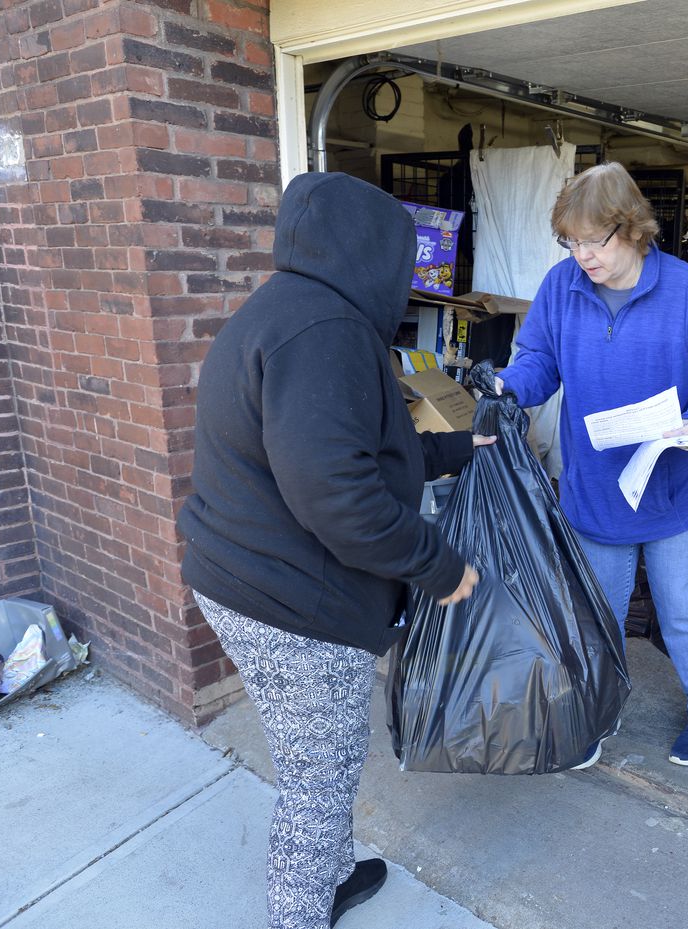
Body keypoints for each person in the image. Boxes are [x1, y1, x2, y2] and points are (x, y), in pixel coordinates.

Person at [178, 172, 492, 929]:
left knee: (311, 755)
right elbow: (340, 495)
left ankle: (336, 872)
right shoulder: (328, 332)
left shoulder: (284, 312)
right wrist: (440, 566)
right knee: (318, 778)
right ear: (373, 253)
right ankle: (299, 912)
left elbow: (352, 447)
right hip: (291, 605)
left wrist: (457, 446)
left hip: (241, 578)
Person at [494, 161, 688, 767]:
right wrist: (508, 386)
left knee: (681, 609)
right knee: (600, 613)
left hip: (681, 488)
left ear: (633, 229)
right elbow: (538, 360)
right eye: (571, 241)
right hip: (598, 489)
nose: (582, 254)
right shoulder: (562, 287)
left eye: (594, 239)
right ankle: (599, 711)